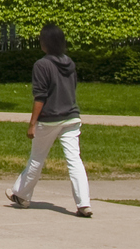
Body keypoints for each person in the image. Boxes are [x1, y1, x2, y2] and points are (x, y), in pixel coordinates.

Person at [8, 21, 91, 218]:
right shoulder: (69, 63)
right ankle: (84, 203)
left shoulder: (41, 65)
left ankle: (22, 194)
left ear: (45, 43)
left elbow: (40, 97)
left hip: (49, 119)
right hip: (71, 117)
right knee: (74, 160)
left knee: (37, 158)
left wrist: (32, 123)